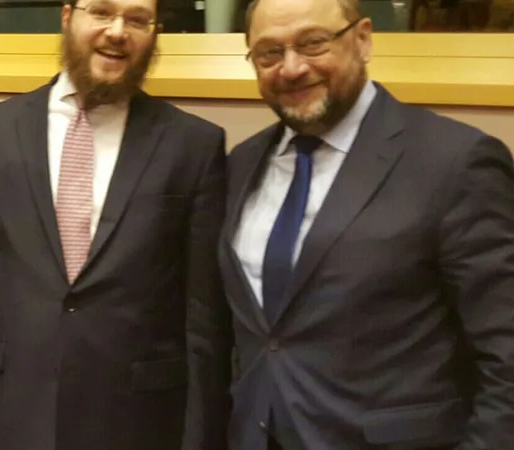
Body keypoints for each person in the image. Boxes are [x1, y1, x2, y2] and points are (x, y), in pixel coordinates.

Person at [220, 0, 514, 448]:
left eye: (313, 43)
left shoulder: (455, 162)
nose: (292, 68)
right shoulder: (242, 163)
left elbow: (506, 352)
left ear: (362, 39)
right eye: (269, 53)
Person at [0, 0, 232, 448]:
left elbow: (203, 316)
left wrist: (199, 437)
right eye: (101, 11)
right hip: (15, 406)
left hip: (139, 419)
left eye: (137, 19)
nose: (117, 31)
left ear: (154, 33)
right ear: (67, 17)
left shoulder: (193, 145)